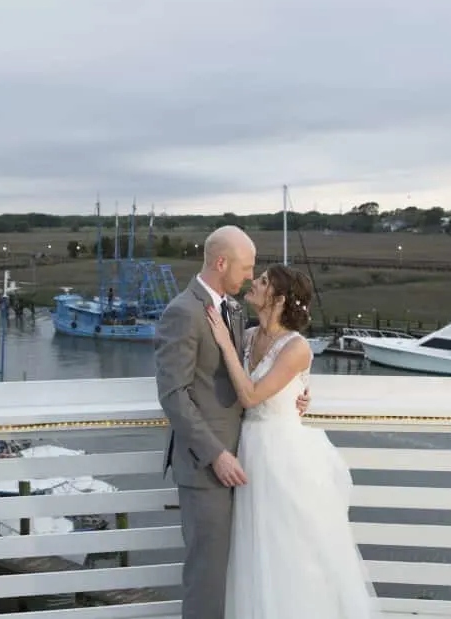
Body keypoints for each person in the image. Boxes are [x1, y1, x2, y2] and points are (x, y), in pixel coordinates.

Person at [204, 264, 379, 618]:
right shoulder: (250, 335)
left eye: (264, 281)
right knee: (255, 550)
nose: (255, 282)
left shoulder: (296, 347)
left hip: (283, 457)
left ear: (279, 299)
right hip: (249, 449)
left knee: (291, 550)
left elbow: (252, 396)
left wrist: (224, 343)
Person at [155, 226, 309, 619]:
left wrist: (295, 394)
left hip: (251, 460)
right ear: (221, 262)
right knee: (207, 577)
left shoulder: (235, 310)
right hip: (208, 467)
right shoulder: (183, 312)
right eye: (246, 268)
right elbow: (174, 394)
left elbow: (267, 366)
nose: (249, 277)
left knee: (244, 569)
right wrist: (215, 455)